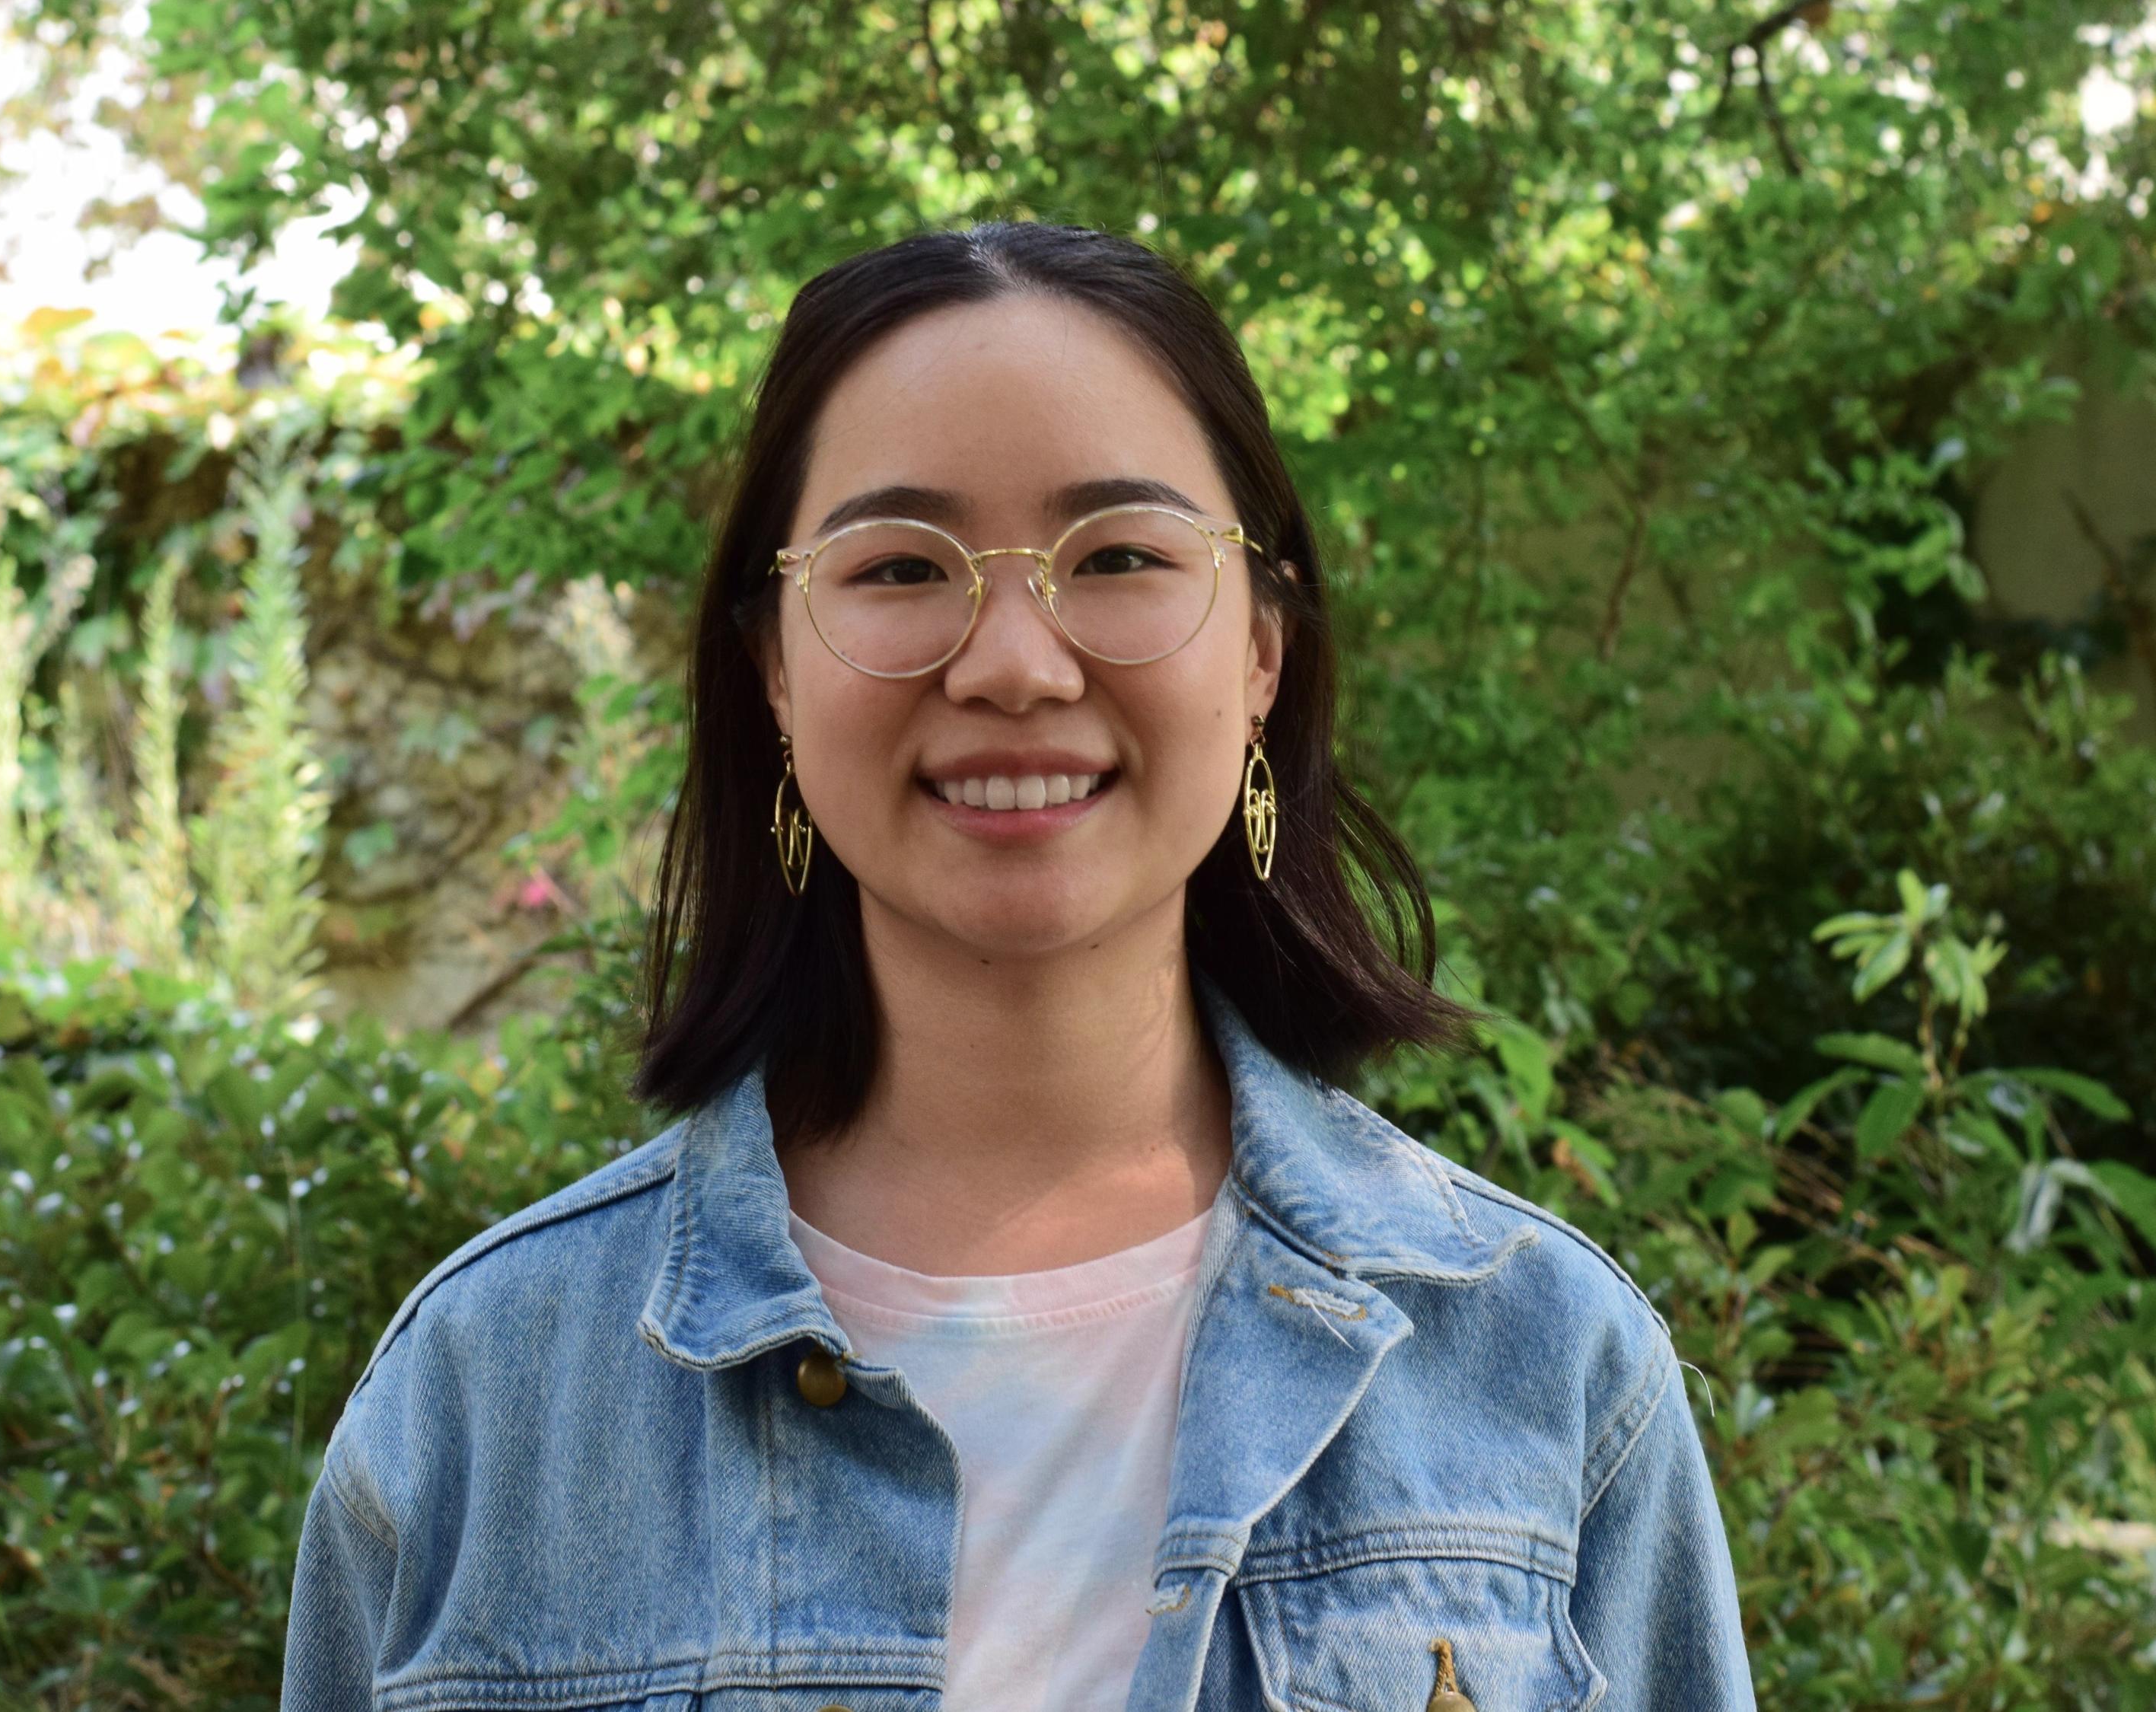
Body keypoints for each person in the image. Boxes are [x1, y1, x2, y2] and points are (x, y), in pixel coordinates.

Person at [281, 223, 1756, 1712]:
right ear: (773, 668)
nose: (1012, 662)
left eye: (1115, 554)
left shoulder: (1538, 1359)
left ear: (1260, 645)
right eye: (900, 566)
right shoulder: (482, 1398)